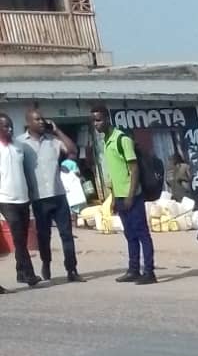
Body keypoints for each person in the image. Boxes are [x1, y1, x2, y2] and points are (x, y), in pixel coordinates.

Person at [92, 104, 155, 284]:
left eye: (99, 120)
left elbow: (134, 169)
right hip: (119, 196)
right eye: (94, 121)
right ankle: (133, 269)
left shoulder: (122, 139)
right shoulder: (106, 141)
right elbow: (115, 172)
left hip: (132, 196)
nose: (96, 124)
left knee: (142, 233)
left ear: (107, 119)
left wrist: (130, 195)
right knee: (129, 234)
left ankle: (149, 272)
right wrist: (112, 198)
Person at [18, 109, 83, 283]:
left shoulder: (53, 141)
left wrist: (58, 131)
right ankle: (46, 262)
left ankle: (72, 269)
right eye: (37, 119)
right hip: (39, 198)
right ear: (28, 122)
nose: (41, 122)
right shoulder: (21, 144)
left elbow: (72, 150)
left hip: (59, 194)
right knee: (43, 236)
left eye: (42, 119)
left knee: (67, 235)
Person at [0, 112, 36, 291]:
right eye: (5, 126)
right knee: (19, 239)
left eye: (10, 125)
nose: (9, 129)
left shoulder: (19, 146)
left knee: (21, 236)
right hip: (5, 199)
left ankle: (21, 272)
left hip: (23, 198)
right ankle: (30, 275)